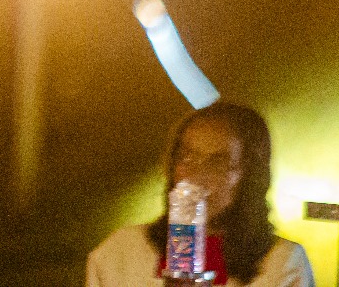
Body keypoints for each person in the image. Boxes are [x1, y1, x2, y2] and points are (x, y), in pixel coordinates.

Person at [86, 102, 315, 287]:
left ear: (249, 175)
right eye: (187, 158)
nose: (197, 176)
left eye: (217, 163)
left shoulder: (282, 264)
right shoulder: (121, 253)